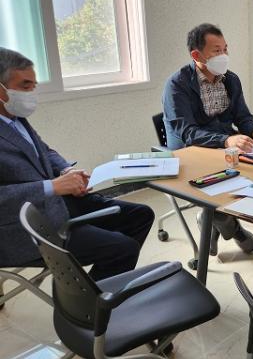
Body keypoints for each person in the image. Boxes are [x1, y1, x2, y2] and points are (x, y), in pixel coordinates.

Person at [0, 48, 154, 280]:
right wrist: (52, 186)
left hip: (56, 205)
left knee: (141, 215)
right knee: (123, 249)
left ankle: (102, 285)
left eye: (33, 85)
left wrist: (66, 170)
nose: (31, 93)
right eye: (24, 85)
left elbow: (44, 152)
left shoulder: (15, 118)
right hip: (22, 229)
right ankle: (88, 299)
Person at [162, 23, 253, 254]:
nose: (223, 55)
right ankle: (233, 228)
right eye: (216, 51)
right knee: (224, 183)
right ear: (196, 55)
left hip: (225, 148)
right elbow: (187, 132)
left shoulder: (230, 80)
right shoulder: (177, 85)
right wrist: (226, 140)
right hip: (190, 152)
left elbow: (243, 116)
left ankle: (211, 223)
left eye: (225, 49)